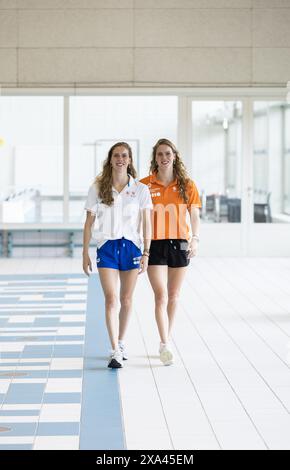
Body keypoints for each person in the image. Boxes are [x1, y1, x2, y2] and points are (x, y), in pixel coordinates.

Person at [82, 142, 152, 369]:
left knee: (126, 299)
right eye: (116, 155)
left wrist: (146, 253)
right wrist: (85, 252)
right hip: (107, 248)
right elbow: (89, 222)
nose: (120, 159)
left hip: (132, 247)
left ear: (130, 160)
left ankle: (121, 342)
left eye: (124, 155)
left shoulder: (140, 189)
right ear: (110, 160)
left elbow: (147, 224)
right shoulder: (98, 188)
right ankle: (114, 350)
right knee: (111, 299)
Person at [140, 138, 201, 366]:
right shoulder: (144, 185)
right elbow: (139, 217)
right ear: (155, 159)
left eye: (167, 154)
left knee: (174, 295)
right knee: (160, 295)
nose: (164, 158)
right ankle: (165, 342)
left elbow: (194, 215)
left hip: (180, 242)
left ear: (174, 156)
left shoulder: (187, 185)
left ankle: (165, 340)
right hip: (154, 243)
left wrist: (195, 239)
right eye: (160, 155)